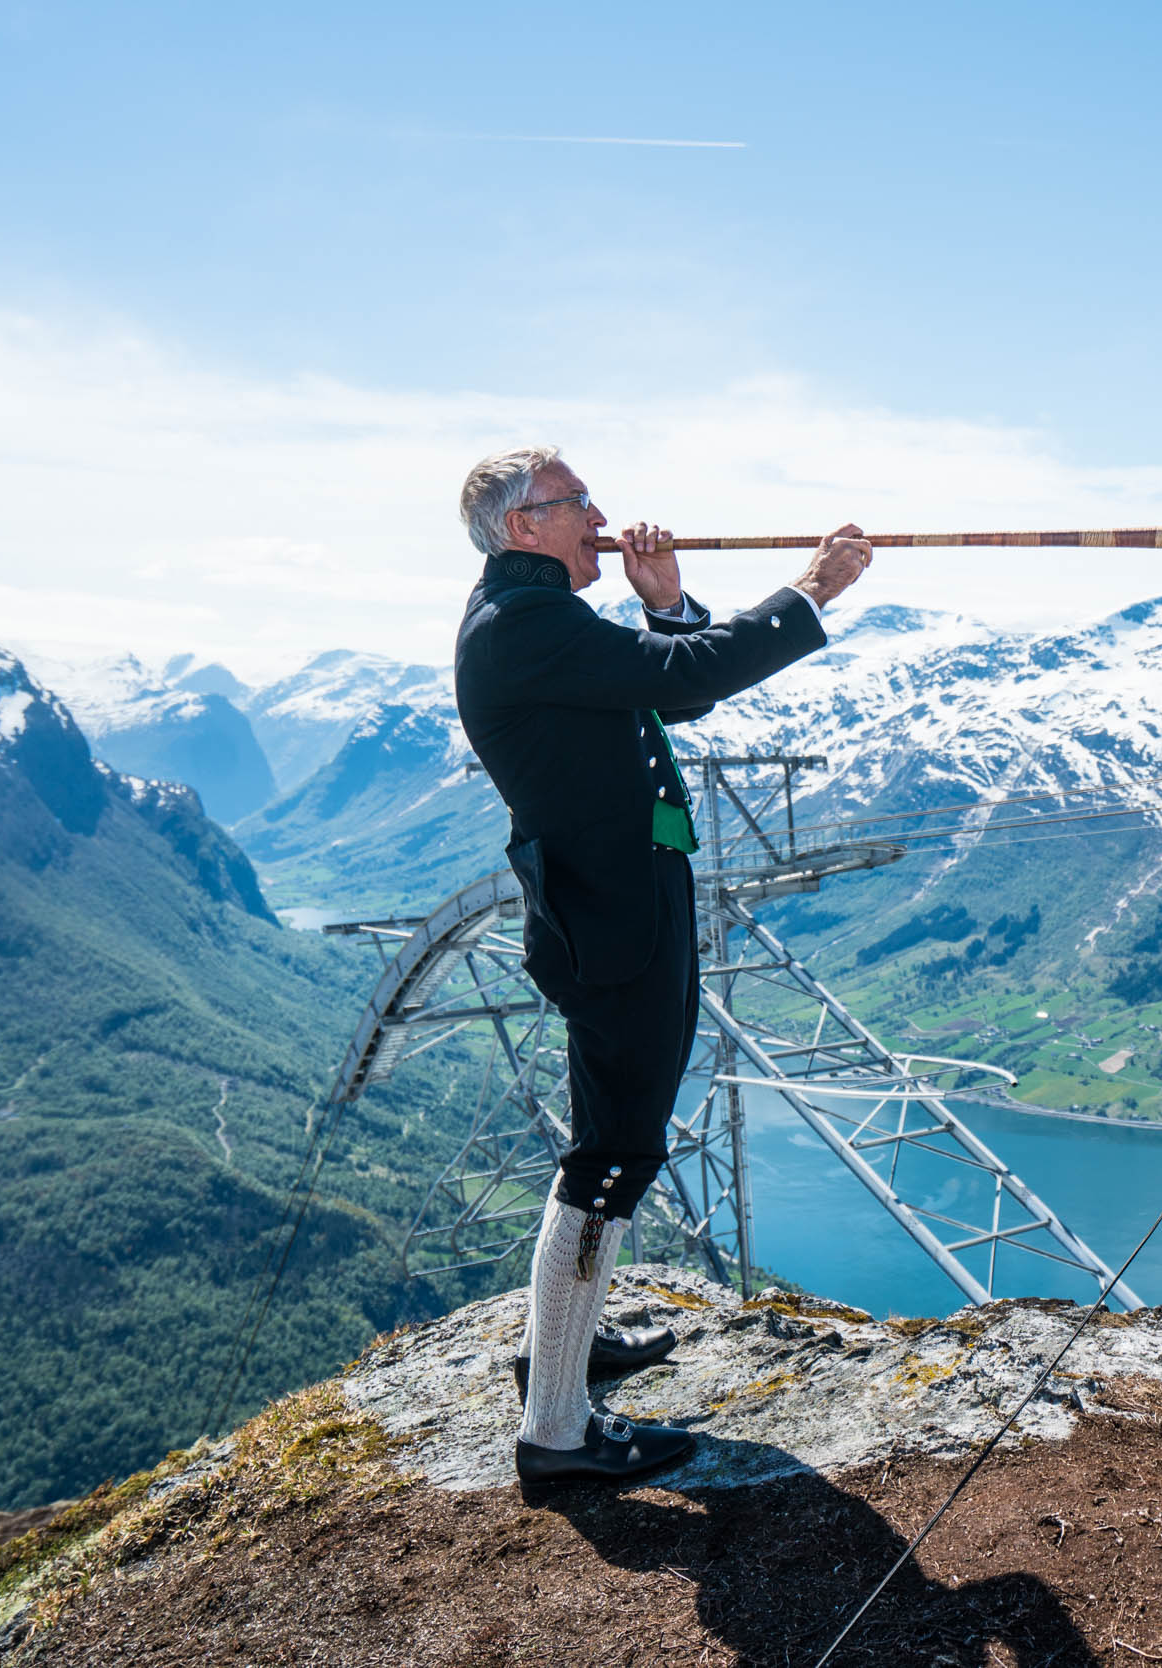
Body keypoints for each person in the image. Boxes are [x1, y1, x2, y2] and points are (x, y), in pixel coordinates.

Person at [453, 445, 871, 1484]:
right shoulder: (525, 624)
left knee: (609, 1143)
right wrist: (814, 587)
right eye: (574, 500)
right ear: (523, 527)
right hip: (614, 925)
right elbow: (695, 678)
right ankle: (556, 1428)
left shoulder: (534, 617)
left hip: (614, 912)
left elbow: (664, 698)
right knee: (612, 1157)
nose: (599, 512)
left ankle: (565, 1344)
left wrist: (666, 600)